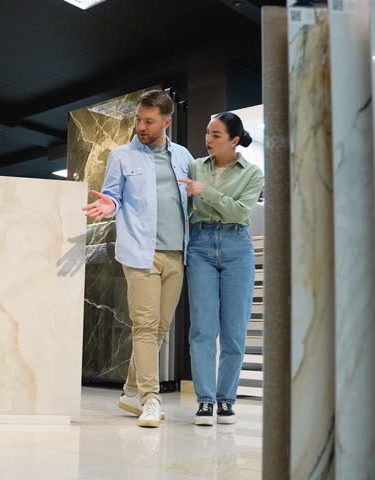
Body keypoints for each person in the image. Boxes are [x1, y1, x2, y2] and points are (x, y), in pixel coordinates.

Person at [82, 90, 193, 428]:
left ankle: (130, 390)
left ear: (166, 122)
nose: (141, 127)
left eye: (149, 121)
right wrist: (108, 206)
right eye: (138, 120)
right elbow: (113, 195)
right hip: (139, 253)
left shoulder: (184, 157)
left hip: (176, 252)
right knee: (144, 327)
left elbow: (193, 200)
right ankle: (150, 398)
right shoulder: (121, 156)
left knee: (159, 328)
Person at [177, 112, 264, 426]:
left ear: (234, 141)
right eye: (207, 132)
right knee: (202, 329)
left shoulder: (253, 173)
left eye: (216, 135)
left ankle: (226, 400)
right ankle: (204, 401)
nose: (208, 139)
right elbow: (185, 208)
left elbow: (241, 212)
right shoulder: (195, 166)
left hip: (237, 246)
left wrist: (206, 192)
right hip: (200, 245)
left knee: (234, 331)